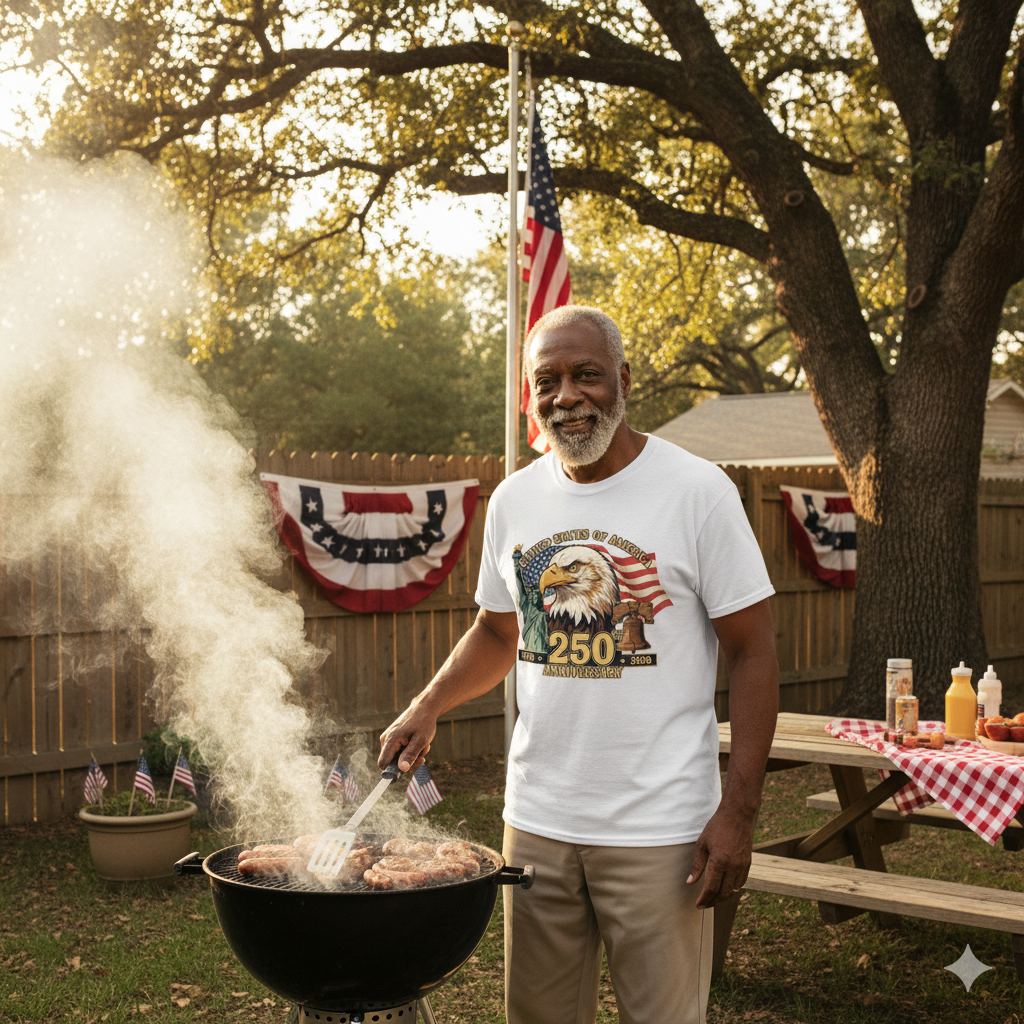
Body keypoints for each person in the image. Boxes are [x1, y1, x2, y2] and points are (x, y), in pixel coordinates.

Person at [379, 305, 779, 1024]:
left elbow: (753, 651)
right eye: (547, 380)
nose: (567, 396)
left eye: (586, 375)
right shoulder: (515, 498)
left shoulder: (698, 491)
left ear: (623, 379)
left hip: (661, 829)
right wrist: (429, 704)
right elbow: (498, 632)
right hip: (538, 821)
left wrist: (739, 812)